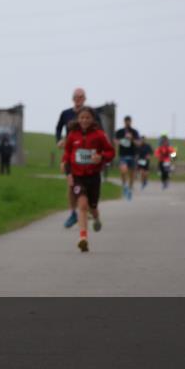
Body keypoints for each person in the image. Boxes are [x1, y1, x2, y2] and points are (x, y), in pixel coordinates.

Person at [62, 107, 115, 252]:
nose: (84, 120)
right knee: (83, 205)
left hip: (93, 177)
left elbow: (111, 151)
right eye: (81, 118)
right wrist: (68, 174)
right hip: (78, 176)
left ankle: (97, 218)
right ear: (77, 119)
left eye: (87, 118)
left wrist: (101, 157)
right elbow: (67, 155)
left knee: (93, 207)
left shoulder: (99, 135)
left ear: (92, 119)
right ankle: (83, 238)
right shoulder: (73, 135)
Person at [55, 88, 99, 228]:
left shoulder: (91, 113)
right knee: (71, 182)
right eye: (76, 97)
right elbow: (58, 128)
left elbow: (99, 130)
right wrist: (59, 140)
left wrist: (99, 152)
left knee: (89, 181)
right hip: (72, 150)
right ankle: (73, 213)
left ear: (85, 98)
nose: (78, 99)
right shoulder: (66, 113)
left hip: (89, 152)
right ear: (72, 98)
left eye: (81, 97)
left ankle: (88, 206)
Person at [114, 115, 141, 200]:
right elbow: (115, 142)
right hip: (123, 155)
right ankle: (124, 185)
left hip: (132, 155)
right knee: (123, 171)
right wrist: (123, 139)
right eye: (126, 121)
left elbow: (138, 143)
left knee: (132, 173)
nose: (127, 123)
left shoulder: (135, 132)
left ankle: (130, 187)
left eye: (129, 121)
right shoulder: (119, 132)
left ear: (131, 122)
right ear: (124, 122)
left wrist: (132, 138)